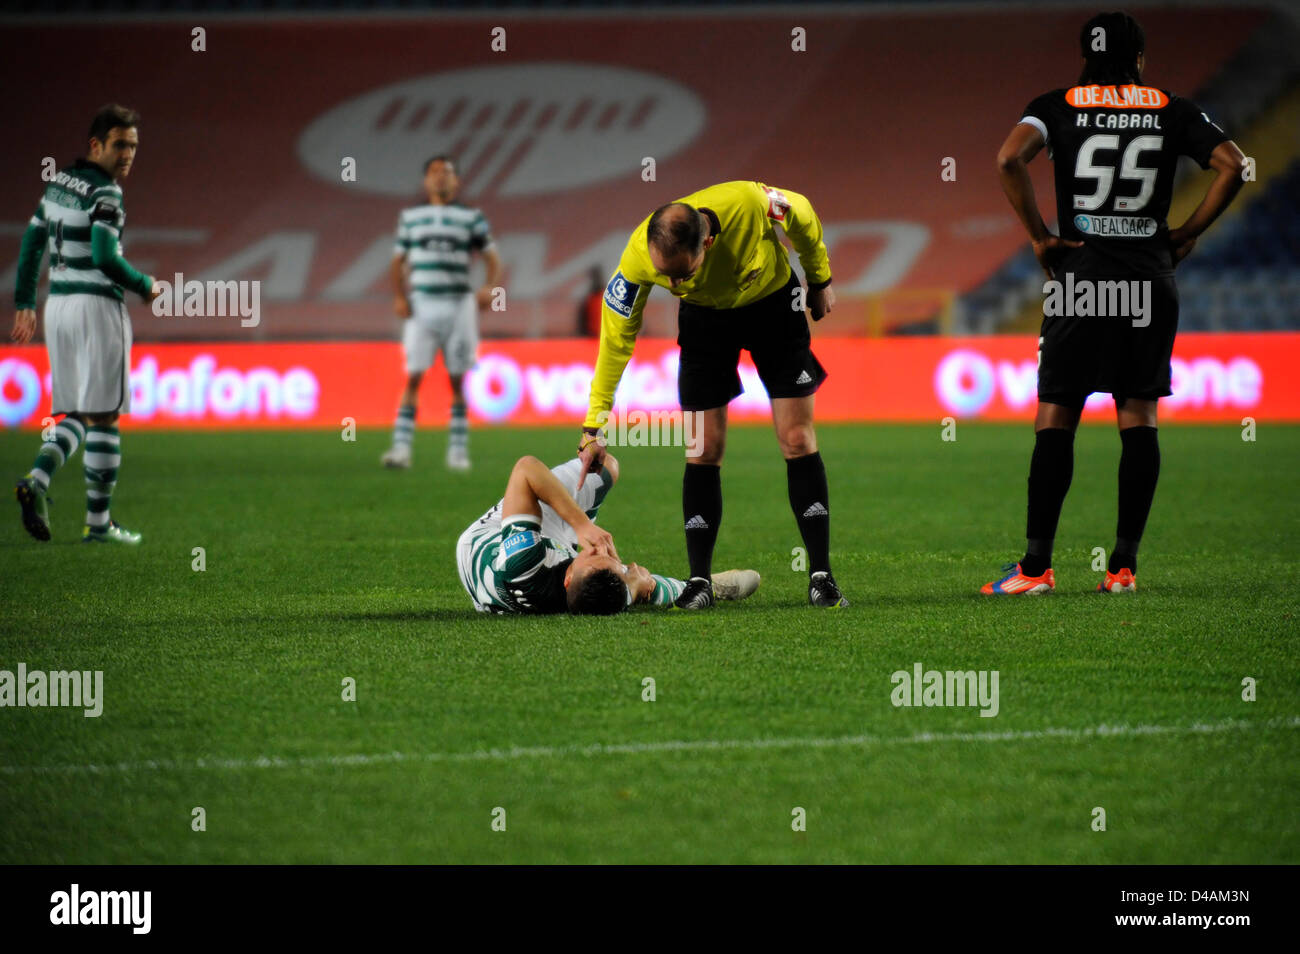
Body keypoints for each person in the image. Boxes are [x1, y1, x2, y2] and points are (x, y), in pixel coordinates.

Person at [983, 11, 1246, 595]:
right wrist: (1186, 232)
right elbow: (1232, 166)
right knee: (1139, 415)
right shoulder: (1171, 107)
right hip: (1150, 282)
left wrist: (1040, 235)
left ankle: (1034, 571)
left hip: (1082, 278)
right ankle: (1122, 568)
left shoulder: (1058, 104)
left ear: (1084, 56)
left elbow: (1007, 159)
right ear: (1141, 60)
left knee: (1057, 414)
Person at [576, 181, 847, 610]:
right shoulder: (637, 258)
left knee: (797, 438)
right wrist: (595, 421)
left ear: (709, 241)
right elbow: (615, 340)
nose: (673, 283)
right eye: (666, 275)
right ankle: (699, 581)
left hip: (773, 305)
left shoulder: (748, 202)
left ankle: (821, 576)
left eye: (683, 273)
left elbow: (804, 212)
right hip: (706, 322)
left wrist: (820, 278)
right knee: (703, 448)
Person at [11, 104, 162, 544]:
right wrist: (145, 284)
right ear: (95, 145)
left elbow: (32, 240)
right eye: (119, 145)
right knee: (107, 417)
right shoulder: (107, 194)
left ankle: (37, 478)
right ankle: (98, 524)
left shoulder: (58, 183)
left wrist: (25, 301)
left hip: (59, 307)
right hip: (97, 308)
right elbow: (103, 257)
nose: (128, 154)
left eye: (133, 146)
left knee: (78, 411)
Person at [456, 453, 761, 615]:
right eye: (610, 559)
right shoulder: (603, 595)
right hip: (549, 559)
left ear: (567, 576)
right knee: (606, 469)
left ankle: (574, 519)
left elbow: (525, 469)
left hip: (489, 540)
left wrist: (581, 526)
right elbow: (635, 584)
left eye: (591, 554)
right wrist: (643, 583)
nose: (600, 549)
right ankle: (703, 587)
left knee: (602, 468)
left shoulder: (522, 564)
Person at [382, 156, 502, 471]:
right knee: (414, 375)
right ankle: (401, 449)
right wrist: (399, 296)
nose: (440, 178)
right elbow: (397, 261)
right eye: (434, 172)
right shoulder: (412, 217)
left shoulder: (471, 218)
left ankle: (458, 452)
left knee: (457, 379)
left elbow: (492, 257)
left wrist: (489, 287)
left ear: (456, 181)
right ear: (426, 181)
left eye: (447, 172)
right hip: (422, 303)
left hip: (460, 304)